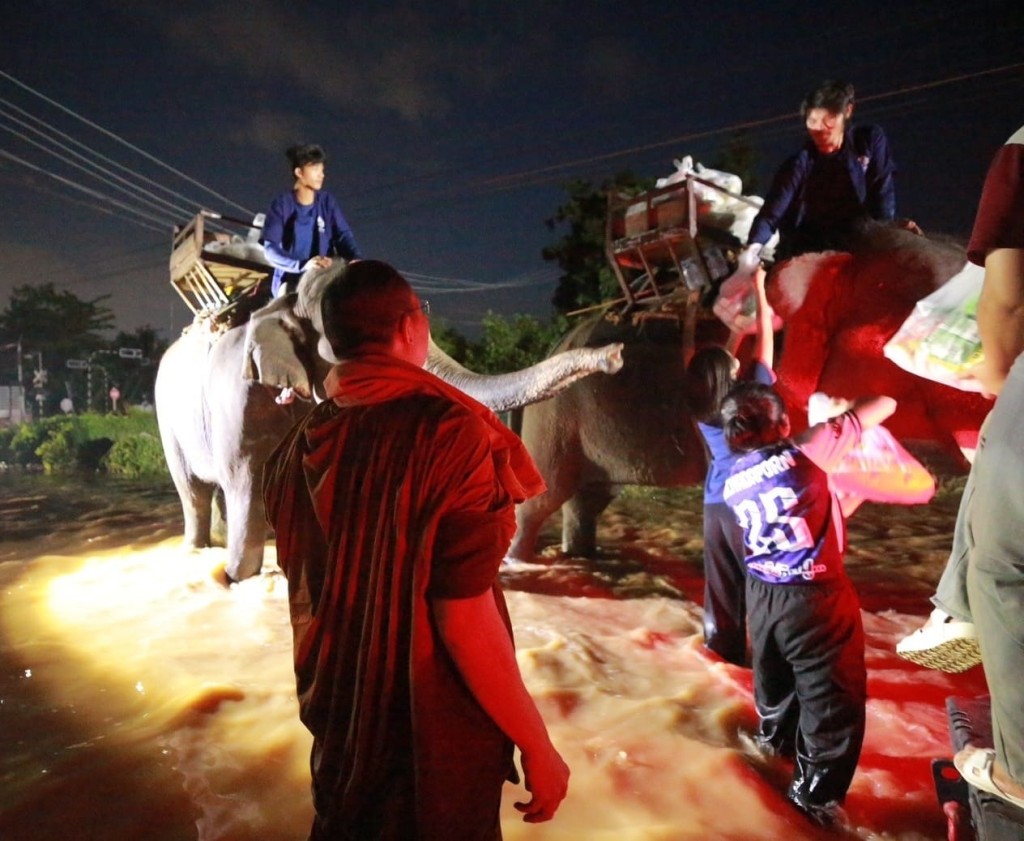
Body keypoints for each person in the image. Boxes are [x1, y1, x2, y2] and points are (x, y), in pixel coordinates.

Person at [262, 260, 569, 840]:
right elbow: (463, 620)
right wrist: (538, 743)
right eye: (422, 314)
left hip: (341, 727)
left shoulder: (297, 445)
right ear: (409, 328)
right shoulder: (451, 434)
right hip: (429, 742)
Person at [894, 123, 1024, 809]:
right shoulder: (815, 165)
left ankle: (1018, 773)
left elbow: (1004, 301)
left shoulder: (1018, 152)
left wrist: (995, 373)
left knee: (1002, 562)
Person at [721, 382, 896, 826]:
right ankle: (812, 807)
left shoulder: (731, 478)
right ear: (782, 421)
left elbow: (797, 517)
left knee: (776, 692)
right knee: (832, 706)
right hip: (815, 599)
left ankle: (769, 763)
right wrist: (839, 415)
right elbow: (883, 403)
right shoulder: (810, 448)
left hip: (762, 597)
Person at [686, 267, 775, 665]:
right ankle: (764, 659)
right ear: (730, 374)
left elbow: (709, 360)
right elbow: (765, 349)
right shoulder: (750, 401)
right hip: (747, 506)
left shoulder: (700, 405)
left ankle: (722, 656)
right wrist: (759, 288)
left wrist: (728, 320)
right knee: (759, 583)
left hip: (714, 510)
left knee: (720, 589)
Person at [738, 80, 897, 268]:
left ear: (847, 111)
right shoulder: (799, 165)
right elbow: (771, 214)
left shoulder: (868, 141)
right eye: (813, 121)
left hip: (860, 241)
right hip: (810, 251)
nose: (820, 129)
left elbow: (882, 191)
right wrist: (752, 250)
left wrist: (885, 236)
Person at [261, 143, 363, 297]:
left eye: (322, 170)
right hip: (291, 280)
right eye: (315, 169)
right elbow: (270, 249)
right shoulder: (282, 204)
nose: (321, 175)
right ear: (299, 172)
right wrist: (302, 265)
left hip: (323, 277)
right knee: (289, 305)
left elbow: (343, 235)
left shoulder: (327, 202)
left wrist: (355, 258)